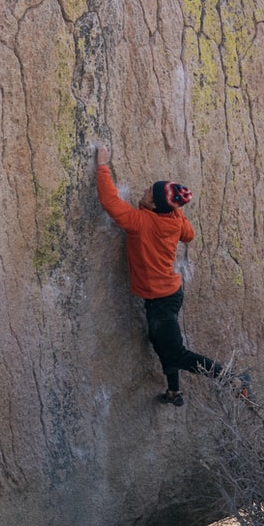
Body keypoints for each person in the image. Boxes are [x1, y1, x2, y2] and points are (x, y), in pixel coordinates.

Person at [95, 144, 234, 406]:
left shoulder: (140, 222)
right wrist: (170, 208)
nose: (145, 191)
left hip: (161, 300)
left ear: (155, 205)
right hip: (169, 294)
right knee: (159, 340)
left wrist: (102, 166)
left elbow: (110, 203)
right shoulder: (174, 219)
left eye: (150, 192)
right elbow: (188, 235)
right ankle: (174, 392)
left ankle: (232, 379)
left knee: (177, 353)